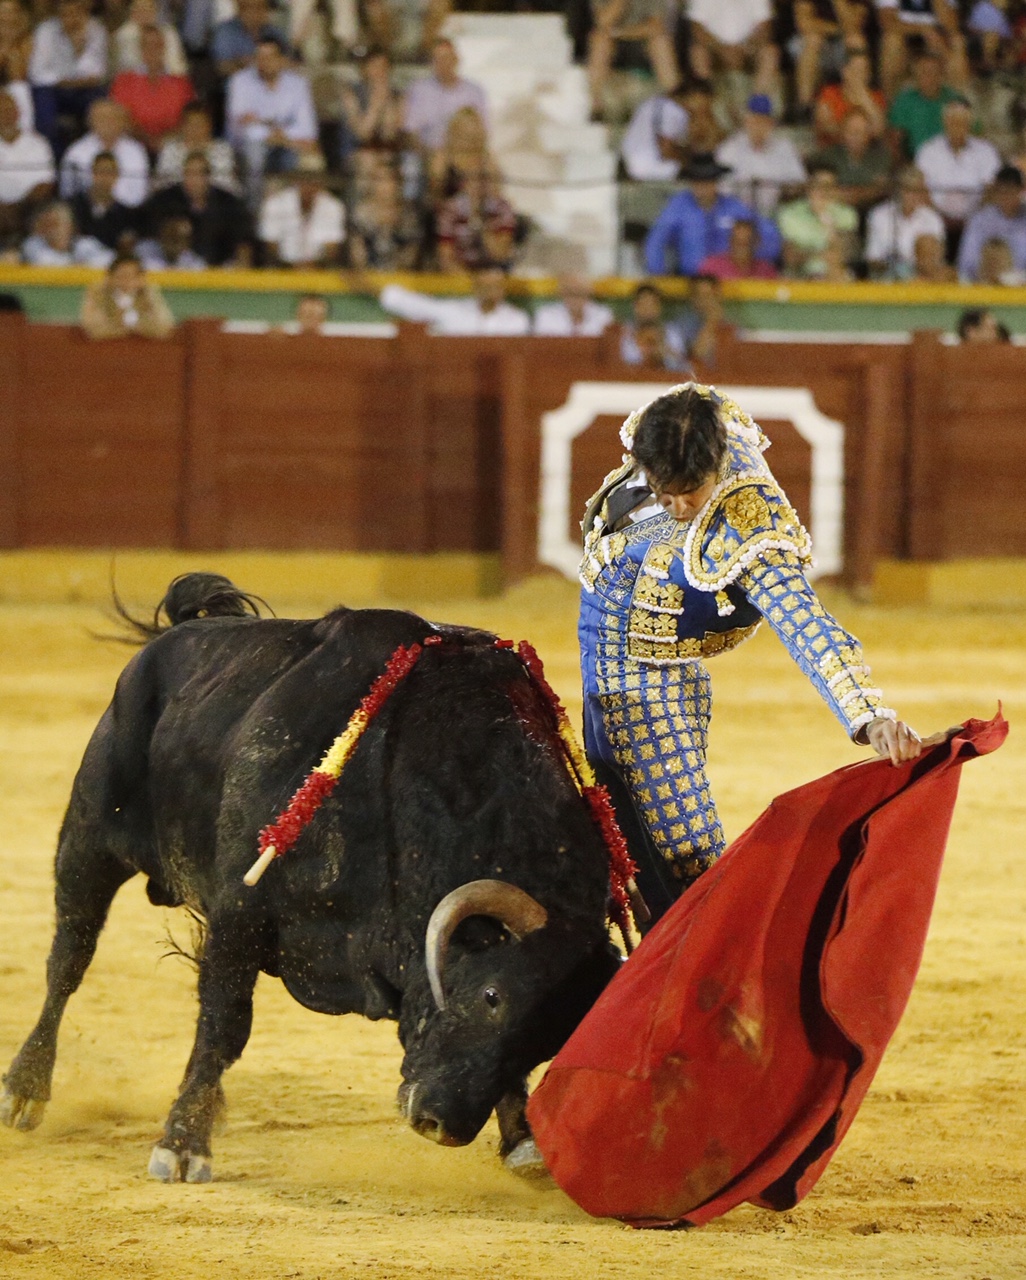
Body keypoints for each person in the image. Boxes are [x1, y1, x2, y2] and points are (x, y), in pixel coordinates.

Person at [577, 382, 923, 921]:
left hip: (650, 688)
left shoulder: (746, 521)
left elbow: (805, 624)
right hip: (607, 668)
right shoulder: (675, 435)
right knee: (621, 848)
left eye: (689, 490)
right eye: (662, 490)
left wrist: (870, 717)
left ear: (715, 464)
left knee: (686, 864)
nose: (677, 505)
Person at [644, 153, 781, 277]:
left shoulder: (734, 207)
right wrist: (660, 276)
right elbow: (655, 242)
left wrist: (747, 256)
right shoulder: (678, 205)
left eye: (708, 180)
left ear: (716, 182)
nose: (702, 187)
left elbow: (771, 237)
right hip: (689, 281)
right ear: (691, 183)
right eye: (697, 181)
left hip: (728, 280)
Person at [226, 33, 318, 199]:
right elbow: (238, 126)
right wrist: (273, 133)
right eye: (259, 57)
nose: (264, 62)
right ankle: (253, 212)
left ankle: (287, 213)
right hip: (248, 146)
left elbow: (307, 129)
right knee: (255, 154)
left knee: (301, 157)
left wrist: (270, 129)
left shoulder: (298, 84)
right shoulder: (240, 81)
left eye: (270, 57)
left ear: (282, 59)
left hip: (288, 145)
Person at [145, 148, 252, 266]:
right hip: (175, 264)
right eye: (189, 173)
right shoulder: (165, 199)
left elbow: (243, 240)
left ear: (208, 176)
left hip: (221, 266)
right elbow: (153, 233)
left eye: (199, 174)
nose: (193, 180)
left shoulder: (228, 202)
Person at [28, 0, 108, 144]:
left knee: (99, 99)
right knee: (42, 98)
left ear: (84, 12)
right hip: (53, 90)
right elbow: (37, 73)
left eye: (76, 13)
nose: (71, 18)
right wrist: (66, 80)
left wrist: (78, 49)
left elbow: (96, 73)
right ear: (59, 14)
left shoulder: (96, 30)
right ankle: (51, 152)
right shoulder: (45, 31)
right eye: (66, 14)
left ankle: (94, 151)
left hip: (84, 90)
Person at [915, 96, 1001, 230]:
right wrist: (938, 216)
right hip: (934, 218)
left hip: (977, 219)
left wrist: (974, 217)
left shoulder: (986, 151)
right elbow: (919, 188)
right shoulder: (928, 150)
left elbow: (992, 189)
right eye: (952, 120)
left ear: (970, 122)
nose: (957, 125)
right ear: (944, 121)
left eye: (962, 121)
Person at [715, 93, 806, 217]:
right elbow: (721, 188)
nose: (758, 126)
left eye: (763, 121)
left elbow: (799, 181)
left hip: (776, 212)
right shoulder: (730, 148)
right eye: (754, 121)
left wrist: (787, 190)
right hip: (738, 214)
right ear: (746, 121)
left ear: (771, 123)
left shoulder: (784, 148)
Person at [587, 0, 678, 120]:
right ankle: (596, 105)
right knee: (599, 40)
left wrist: (620, 33)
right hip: (613, 43)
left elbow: (655, 26)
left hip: (640, 40)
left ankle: (675, 100)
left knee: (661, 40)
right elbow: (603, 22)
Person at [378, 263, 530, 335]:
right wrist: (377, 289)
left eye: (495, 287)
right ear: (475, 288)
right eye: (485, 286)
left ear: (503, 290)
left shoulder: (517, 319)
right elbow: (410, 304)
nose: (490, 292)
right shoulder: (454, 311)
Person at [110, 24, 194, 152]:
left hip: (172, 145)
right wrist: (145, 140)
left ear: (164, 48)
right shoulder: (123, 81)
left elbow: (189, 119)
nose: (152, 50)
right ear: (140, 48)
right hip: (132, 144)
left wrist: (166, 140)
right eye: (147, 45)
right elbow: (120, 118)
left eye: (157, 45)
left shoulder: (181, 83)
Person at [258, 150, 345, 268]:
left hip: (320, 271)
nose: (309, 184)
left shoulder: (333, 206)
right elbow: (271, 246)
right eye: (305, 179)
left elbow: (332, 249)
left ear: (322, 182)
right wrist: (292, 268)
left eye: (314, 179)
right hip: (281, 269)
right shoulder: (275, 204)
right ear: (296, 180)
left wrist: (310, 267)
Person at [686, 0, 780, 108]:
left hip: (748, 51)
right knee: (698, 51)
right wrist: (720, 48)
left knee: (770, 52)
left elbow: (765, 28)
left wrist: (747, 47)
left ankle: (758, 105)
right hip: (714, 50)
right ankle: (706, 104)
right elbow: (697, 29)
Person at [59, 98, 150, 207]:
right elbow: (69, 192)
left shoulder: (136, 151)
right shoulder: (76, 152)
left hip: (128, 214)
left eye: (113, 118)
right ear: (90, 122)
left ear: (124, 122)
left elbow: (140, 192)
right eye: (102, 118)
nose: (108, 123)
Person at [402, 38, 487, 154]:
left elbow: (483, 131)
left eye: (447, 58)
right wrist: (426, 154)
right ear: (432, 63)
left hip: (466, 153)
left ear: (456, 59)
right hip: (429, 153)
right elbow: (410, 131)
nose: (443, 63)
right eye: (438, 59)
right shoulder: (419, 89)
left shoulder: (475, 91)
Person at [777, 163, 857, 278]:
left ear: (836, 189)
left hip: (834, 275)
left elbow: (842, 256)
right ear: (809, 187)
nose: (824, 191)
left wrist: (827, 221)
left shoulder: (847, 214)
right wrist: (821, 254)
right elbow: (791, 257)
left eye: (829, 186)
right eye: (819, 185)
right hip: (800, 275)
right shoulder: (789, 213)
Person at [864, 163, 945, 277]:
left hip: (922, 280)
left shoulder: (932, 218)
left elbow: (936, 260)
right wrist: (896, 268)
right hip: (887, 280)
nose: (913, 195)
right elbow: (873, 258)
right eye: (908, 189)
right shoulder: (879, 215)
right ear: (898, 190)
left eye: (918, 190)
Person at [876, 0, 966, 100]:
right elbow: (888, 23)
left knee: (957, 42)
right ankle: (891, 104)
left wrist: (939, 4)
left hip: (937, 35)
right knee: (892, 41)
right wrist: (923, 29)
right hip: (904, 34)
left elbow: (952, 28)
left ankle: (957, 102)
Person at [792, 0, 870, 114]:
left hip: (841, 43)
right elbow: (804, 23)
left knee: (856, 41)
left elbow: (854, 26)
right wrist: (838, 29)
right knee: (814, 40)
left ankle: (859, 104)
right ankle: (805, 105)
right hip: (809, 41)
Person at [810, 105, 891, 213]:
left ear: (869, 133)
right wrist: (862, 192)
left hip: (873, 212)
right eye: (851, 131)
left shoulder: (881, 156)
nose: (855, 136)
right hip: (837, 211)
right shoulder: (828, 156)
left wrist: (845, 193)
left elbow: (880, 189)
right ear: (842, 132)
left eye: (860, 131)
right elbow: (823, 188)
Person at [0, 84, 53, 246]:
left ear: (18, 112)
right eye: (1, 110)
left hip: (30, 210)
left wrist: (19, 207)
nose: (5, 115)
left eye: (9, 110)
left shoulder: (38, 143)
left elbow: (45, 184)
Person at [887, 49, 962, 161]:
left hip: (951, 160)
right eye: (923, 72)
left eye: (933, 72)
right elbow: (895, 141)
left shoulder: (954, 100)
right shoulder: (905, 100)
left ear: (941, 74)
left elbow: (970, 137)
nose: (929, 77)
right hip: (916, 162)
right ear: (916, 75)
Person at [435, 169, 517, 272]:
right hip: (461, 273)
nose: (478, 186)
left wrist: (482, 224)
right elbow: (446, 258)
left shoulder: (502, 208)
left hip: (493, 272)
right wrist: (471, 282)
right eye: (473, 180)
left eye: (483, 180)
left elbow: (501, 254)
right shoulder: (450, 210)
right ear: (463, 183)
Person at [79, 250, 174, 337]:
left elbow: (165, 327)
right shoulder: (99, 292)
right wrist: (118, 324)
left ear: (141, 279)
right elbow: (92, 329)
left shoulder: (147, 292)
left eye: (132, 277)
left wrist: (150, 298)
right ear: (110, 278)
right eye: (121, 276)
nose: (127, 282)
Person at [956, 164, 1026, 283]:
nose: (1006, 197)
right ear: (995, 191)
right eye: (1002, 192)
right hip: (984, 284)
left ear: (1021, 191)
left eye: (1011, 191)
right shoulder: (980, 219)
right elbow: (966, 263)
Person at [346, 160, 421, 269]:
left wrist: (390, 229)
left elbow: (410, 259)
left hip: (401, 279)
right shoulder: (360, 215)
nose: (386, 186)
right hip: (367, 279)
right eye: (380, 180)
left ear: (400, 184)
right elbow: (357, 257)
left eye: (391, 180)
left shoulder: (409, 217)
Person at [153, 102, 240, 194]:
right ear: (182, 126)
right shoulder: (170, 150)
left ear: (209, 126)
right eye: (191, 124)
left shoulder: (222, 150)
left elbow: (226, 185)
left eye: (200, 124)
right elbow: (161, 185)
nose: (195, 129)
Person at [68, 149, 138, 253]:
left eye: (109, 172)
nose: (104, 177)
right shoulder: (74, 205)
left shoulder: (125, 213)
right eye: (100, 172)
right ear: (92, 173)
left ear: (117, 176)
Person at [813, 48, 885, 145]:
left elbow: (880, 132)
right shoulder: (829, 93)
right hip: (835, 150)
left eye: (865, 71)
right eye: (856, 70)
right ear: (844, 72)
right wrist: (856, 132)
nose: (861, 75)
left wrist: (865, 99)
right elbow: (825, 126)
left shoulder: (876, 97)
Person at [619, 83, 690, 182]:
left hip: (629, 165)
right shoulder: (674, 110)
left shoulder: (647, 103)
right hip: (654, 170)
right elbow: (666, 149)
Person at [211, 0, 283, 81]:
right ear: (240, 9)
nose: (255, 12)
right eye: (249, 7)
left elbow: (288, 63)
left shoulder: (275, 32)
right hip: (237, 87)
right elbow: (221, 67)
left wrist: (246, 63)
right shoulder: (226, 31)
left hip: (273, 88)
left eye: (260, 7)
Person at [22, 197, 108, 263]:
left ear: (71, 226)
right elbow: (43, 262)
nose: (52, 230)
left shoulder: (85, 244)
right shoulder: (33, 244)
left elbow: (107, 261)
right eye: (47, 224)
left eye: (56, 223)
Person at [112, 0, 187, 75]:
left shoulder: (169, 33)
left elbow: (177, 65)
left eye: (149, 9)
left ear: (156, 11)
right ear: (132, 13)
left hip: (167, 79)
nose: (144, 14)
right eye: (140, 9)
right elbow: (128, 66)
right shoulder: (124, 35)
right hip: (134, 81)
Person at [532, 273, 614, 336]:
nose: (575, 298)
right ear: (561, 294)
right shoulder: (546, 314)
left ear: (589, 293)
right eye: (570, 293)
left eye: (580, 293)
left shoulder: (603, 315)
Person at [698, 217, 779, 278]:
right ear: (730, 241)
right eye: (737, 242)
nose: (741, 248)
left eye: (746, 242)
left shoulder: (766, 271)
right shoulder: (711, 268)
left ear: (756, 242)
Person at [136, 211, 206, 268]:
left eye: (182, 238)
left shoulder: (196, 263)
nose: (176, 242)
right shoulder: (142, 251)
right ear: (161, 234)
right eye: (171, 236)